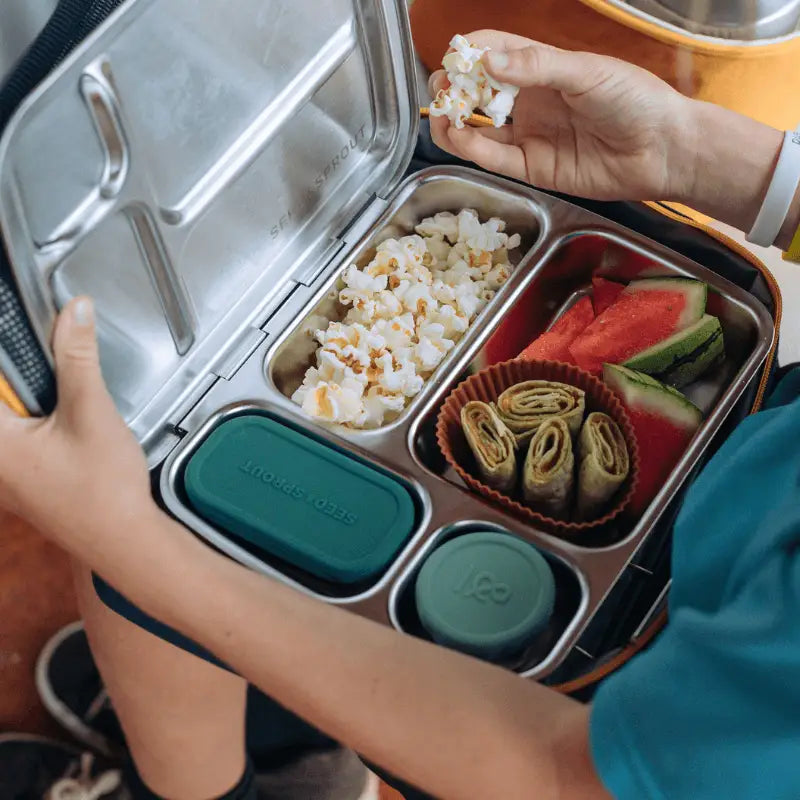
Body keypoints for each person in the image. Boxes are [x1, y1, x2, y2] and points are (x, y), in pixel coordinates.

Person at [2, 30, 799, 800]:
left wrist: (133, 546)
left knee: (136, 569)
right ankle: (295, 756)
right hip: (753, 508)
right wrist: (704, 160)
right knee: (173, 571)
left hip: (626, 694)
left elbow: (560, 774)